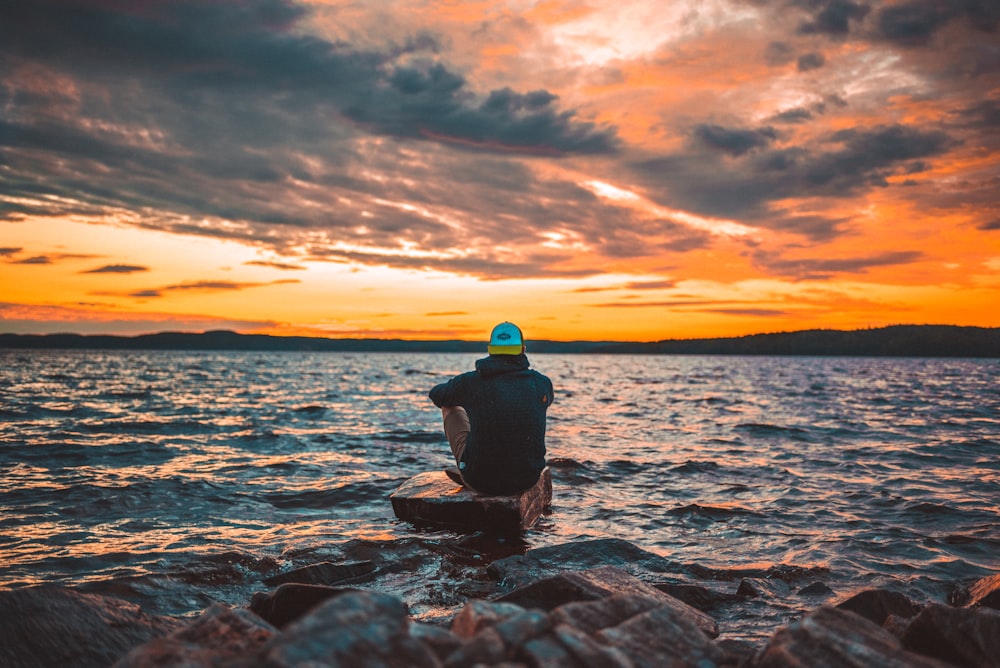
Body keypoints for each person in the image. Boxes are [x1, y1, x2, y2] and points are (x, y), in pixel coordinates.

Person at [428, 322, 554, 495]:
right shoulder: (542, 383)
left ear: (490, 350)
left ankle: (470, 470)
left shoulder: (471, 382)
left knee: (449, 406)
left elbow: (437, 395)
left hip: (481, 482)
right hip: (527, 480)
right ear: (522, 350)